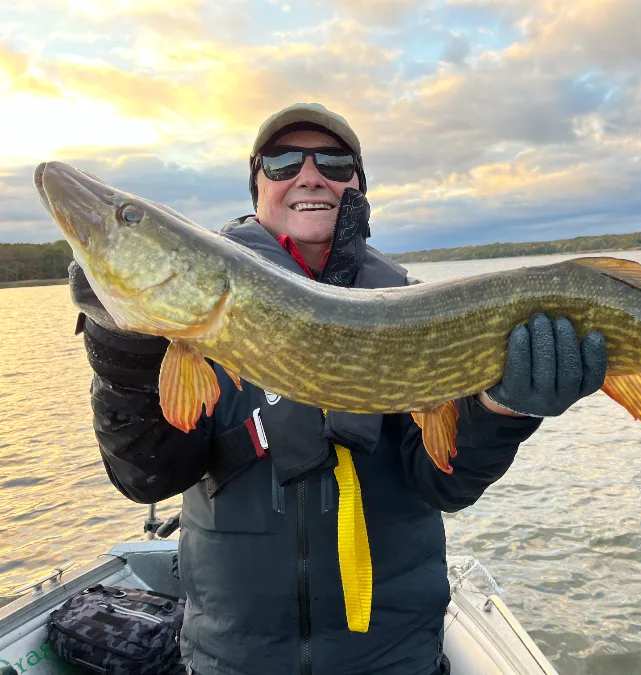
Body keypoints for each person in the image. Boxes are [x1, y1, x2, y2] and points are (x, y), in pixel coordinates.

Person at [70, 103, 608, 675]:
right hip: (236, 657)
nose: (309, 175)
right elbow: (147, 477)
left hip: (393, 655)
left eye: (333, 161)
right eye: (281, 163)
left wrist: (503, 411)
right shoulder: (196, 325)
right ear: (256, 188)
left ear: (357, 186)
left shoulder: (412, 307)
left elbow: (445, 483)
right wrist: (122, 351)